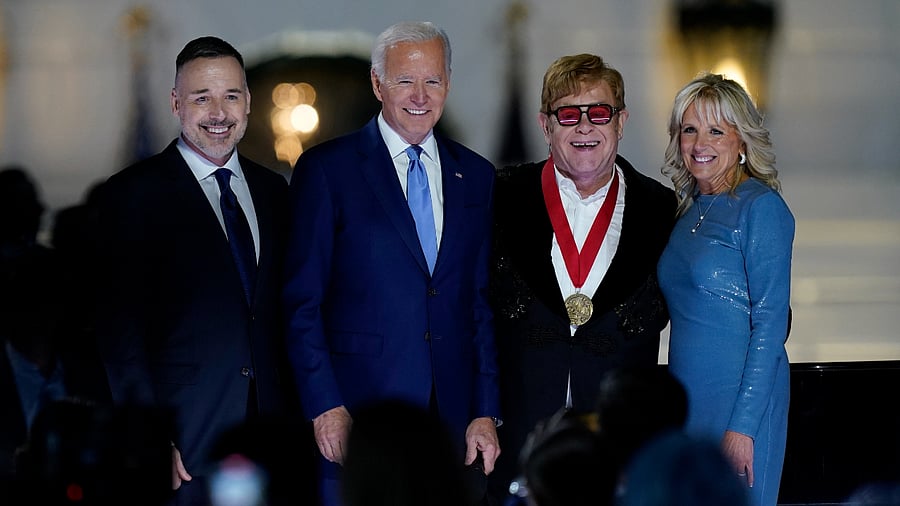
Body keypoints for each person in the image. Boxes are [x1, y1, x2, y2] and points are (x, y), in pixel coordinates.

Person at [283, 21, 501, 506]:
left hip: (451, 428)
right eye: (405, 80)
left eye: (433, 81)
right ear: (377, 84)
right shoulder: (327, 170)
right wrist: (325, 406)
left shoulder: (477, 175)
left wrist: (485, 411)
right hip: (358, 418)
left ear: (448, 84)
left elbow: (480, 304)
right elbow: (301, 303)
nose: (420, 96)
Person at [96, 36, 297, 505]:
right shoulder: (131, 195)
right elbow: (120, 334)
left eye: (231, 96)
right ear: (175, 103)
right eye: (201, 98)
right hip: (185, 438)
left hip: (274, 435)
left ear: (248, 102)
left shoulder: (275, 192)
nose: (218, 113)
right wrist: (148, 436)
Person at [490, 53, 676, 501]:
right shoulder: (501, 196)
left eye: (600, 113)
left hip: (622, 447)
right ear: (545, 125)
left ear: (621, 121)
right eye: (569, 115)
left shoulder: (661, 208)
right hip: (518, 441)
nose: (585, 127)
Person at [657, 73, 794, 506]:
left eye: (716, 130)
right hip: (688, 406)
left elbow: (770, 324)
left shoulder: (761, 207)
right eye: (690, 129)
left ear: (742, 141)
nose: (700, 143)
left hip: (741, 406)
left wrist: (743, 428)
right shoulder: (687, 212)